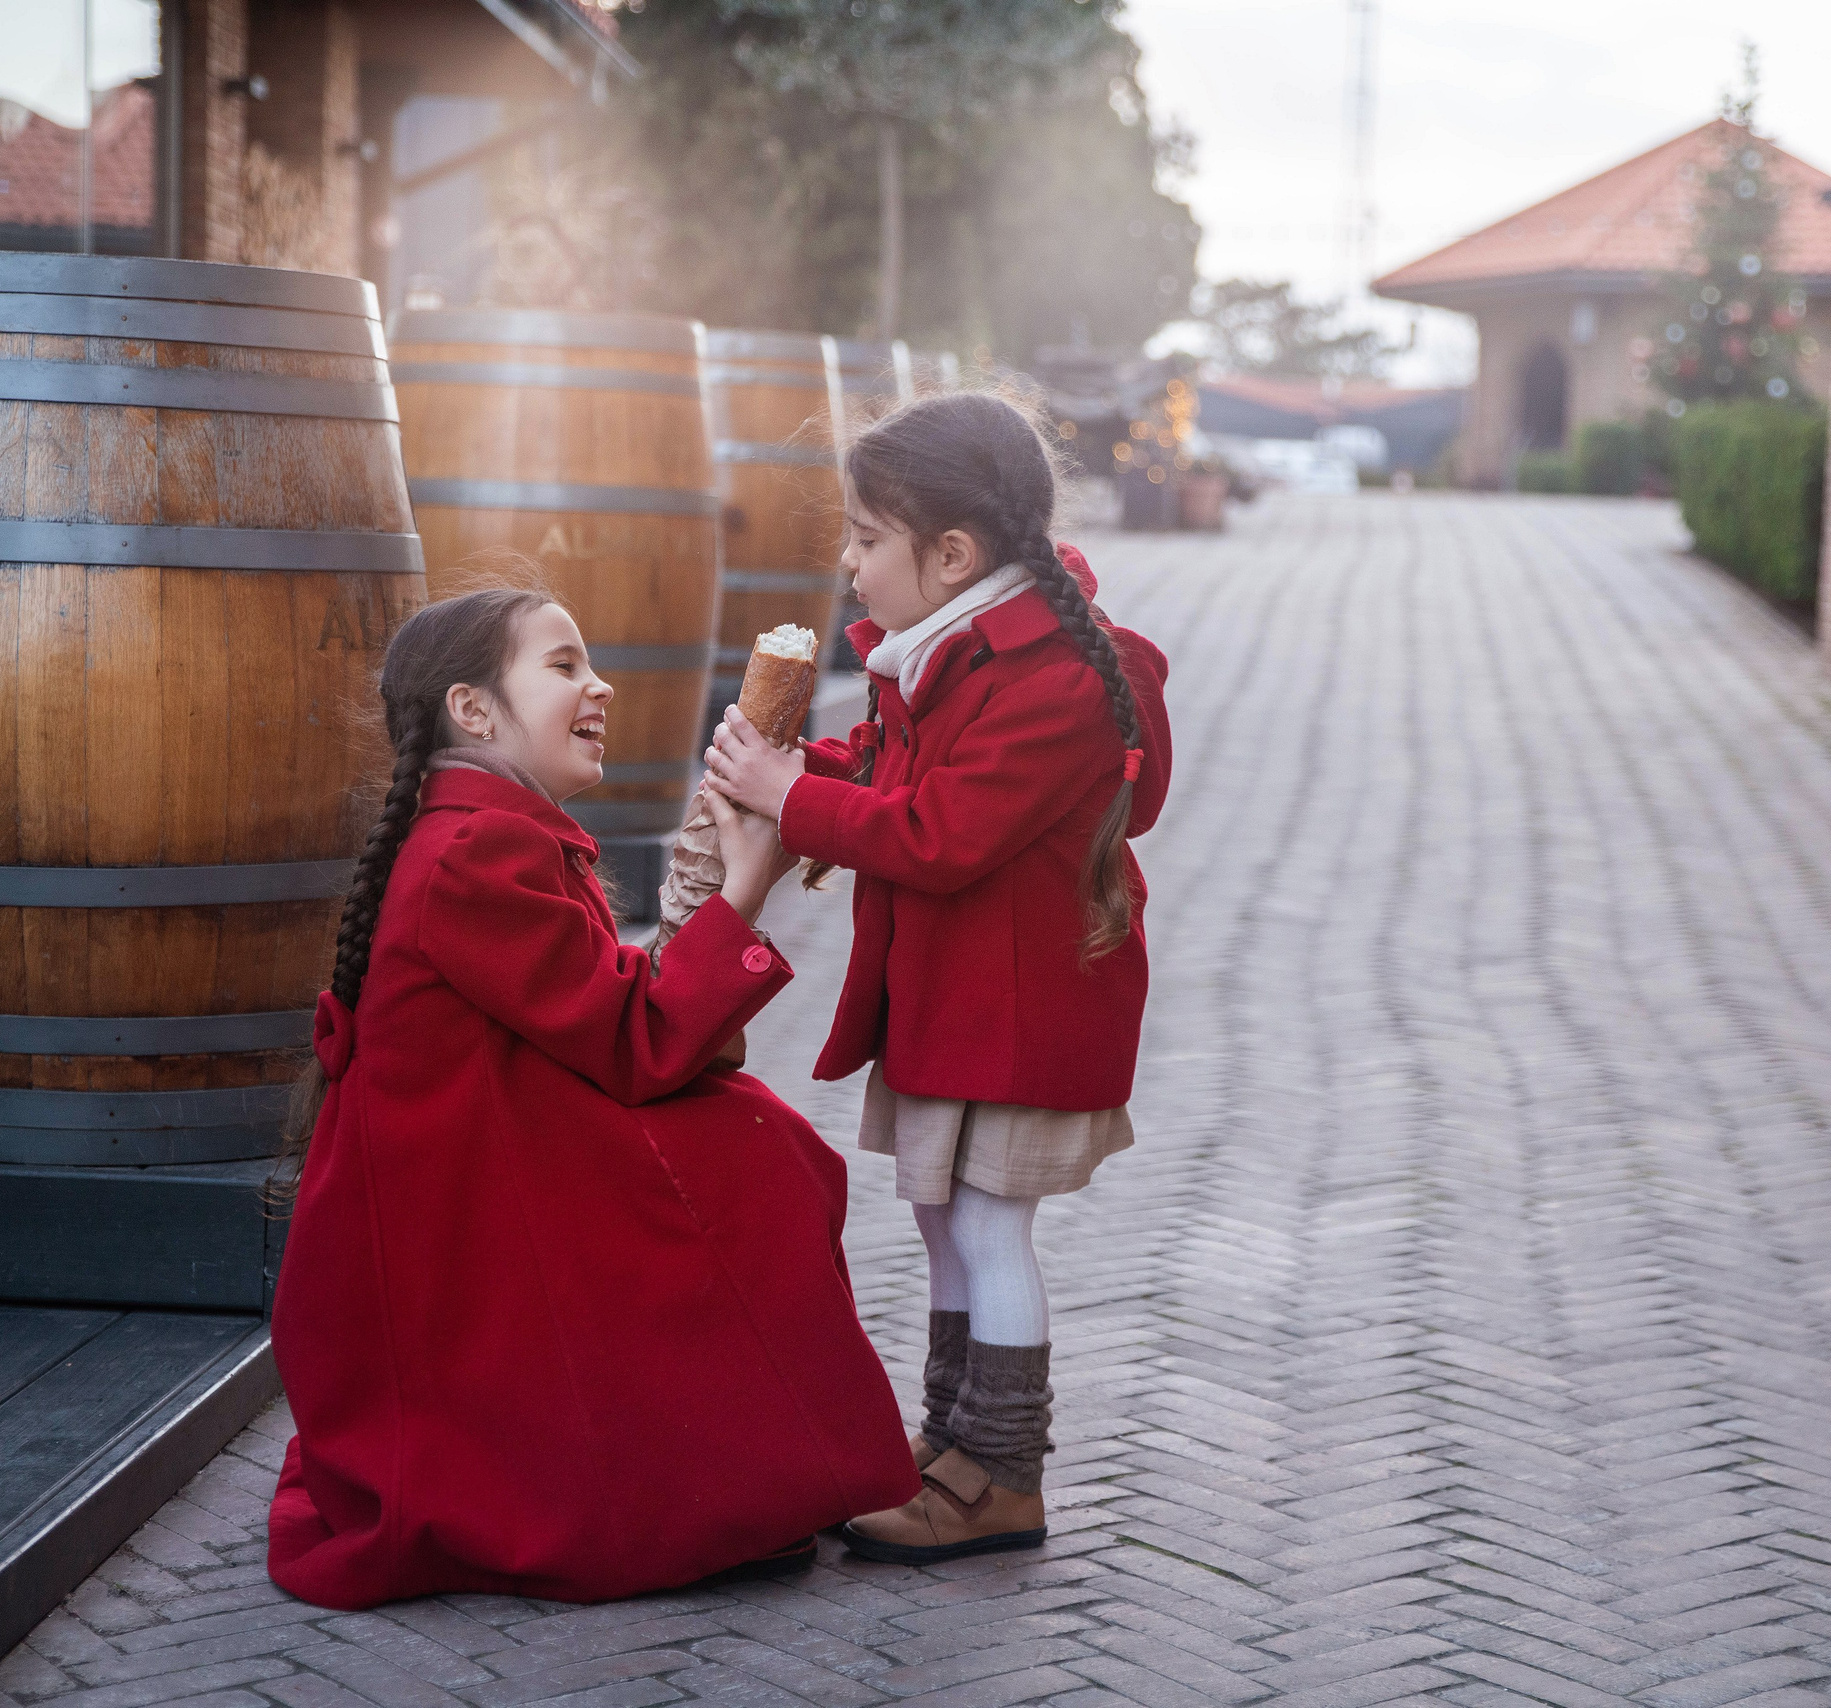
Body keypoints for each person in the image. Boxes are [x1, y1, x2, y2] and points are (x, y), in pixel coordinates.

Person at [265, 578, 921, 1609]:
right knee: (749, 1160)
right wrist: (744, 884)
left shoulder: (486, 830)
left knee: (755, 1139)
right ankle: (715, 1488)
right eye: (564, 665)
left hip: (492, 1151)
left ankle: (743, 1470)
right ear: (472, 712)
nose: (600, 685)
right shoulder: (480, 846)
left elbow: (611, 1022)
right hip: (465, 1195)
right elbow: (634, 1042)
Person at [705, 391, 1173, 1565]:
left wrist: (787, 796)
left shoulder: (1053, 674)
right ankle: (950, 1446)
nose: (849, 566)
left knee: (987, 1223)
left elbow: (938, 833)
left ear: (952, 553)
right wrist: (785, 772)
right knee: (939, 1214)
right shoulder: (943, 650)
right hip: (952, 998)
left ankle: (1001, 1476)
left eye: (866, 540)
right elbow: (876, 771)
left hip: (1018, 1009)